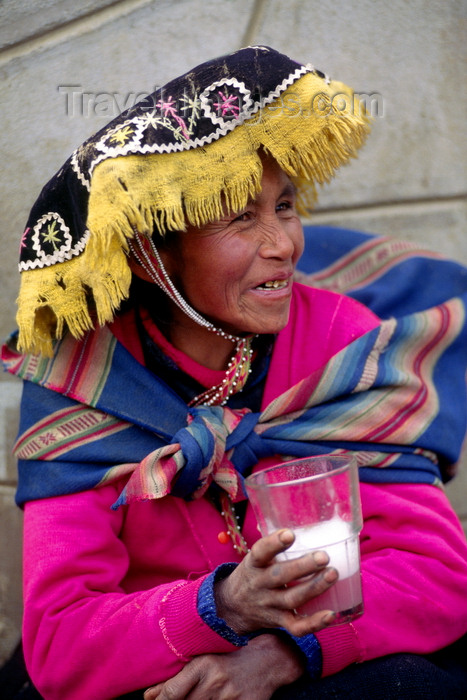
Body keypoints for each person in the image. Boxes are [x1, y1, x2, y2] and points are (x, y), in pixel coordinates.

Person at [2, 46, 467, 700]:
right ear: (150, 254)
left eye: (284, 206)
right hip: (151, 669)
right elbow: (60, 639)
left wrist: (284, 652)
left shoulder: (341, 343)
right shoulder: (82, 375)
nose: (282, 244)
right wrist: (222, 606)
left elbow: (436, 576)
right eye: (240, 217)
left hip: (317, 658)